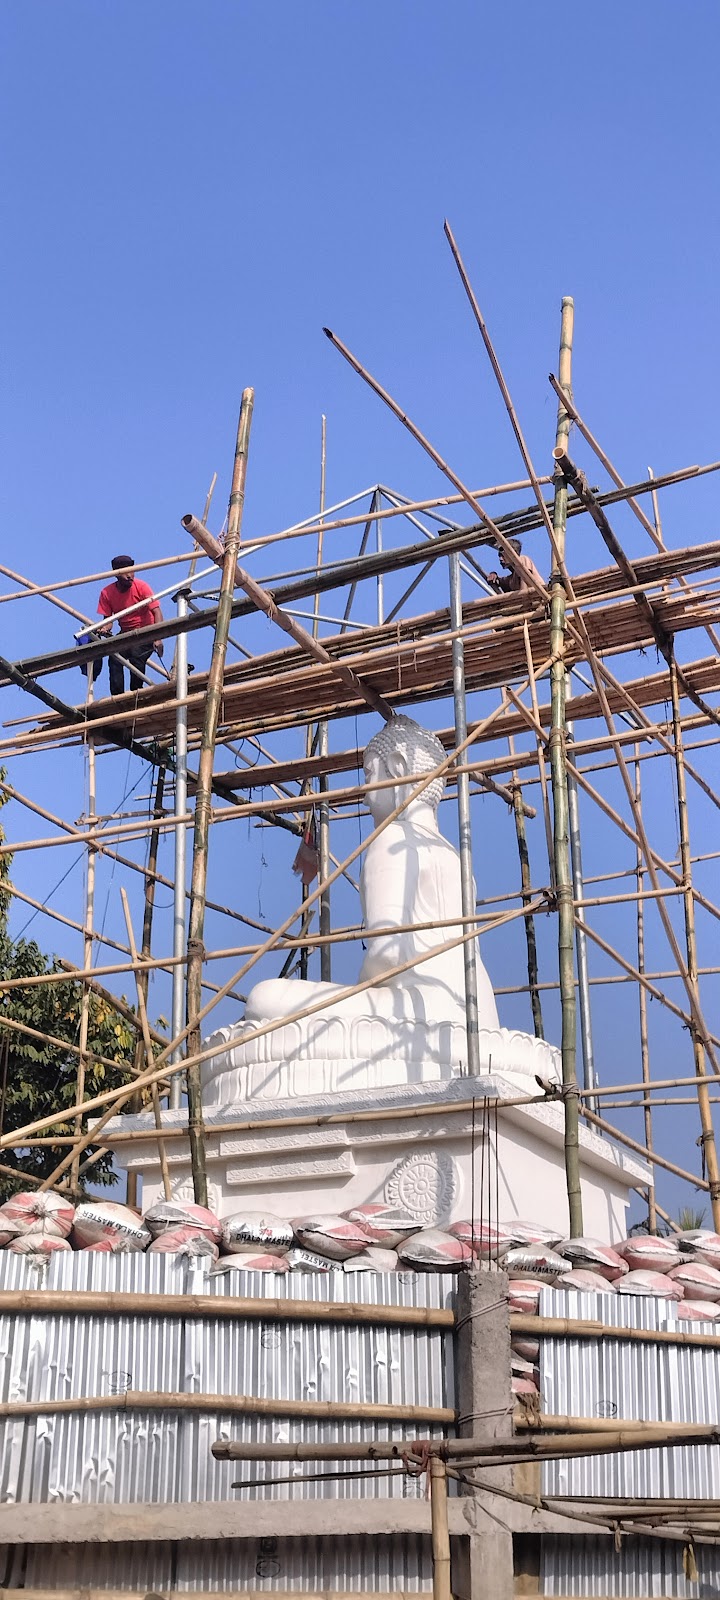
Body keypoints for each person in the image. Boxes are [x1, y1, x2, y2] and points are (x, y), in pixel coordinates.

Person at [93, 556, 164, 696]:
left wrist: (158, 638)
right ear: (116, 574)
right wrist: (104, 628)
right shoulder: (107, 593)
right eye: (126, 573)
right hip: (126, 632)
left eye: (132, 572)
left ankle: (136, 693)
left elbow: (157, 612)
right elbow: (108, 620)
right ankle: (118, 696)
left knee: (136, 655)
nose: (130, 576)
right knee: (114, 656)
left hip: (147, 631)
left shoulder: (141, 586)